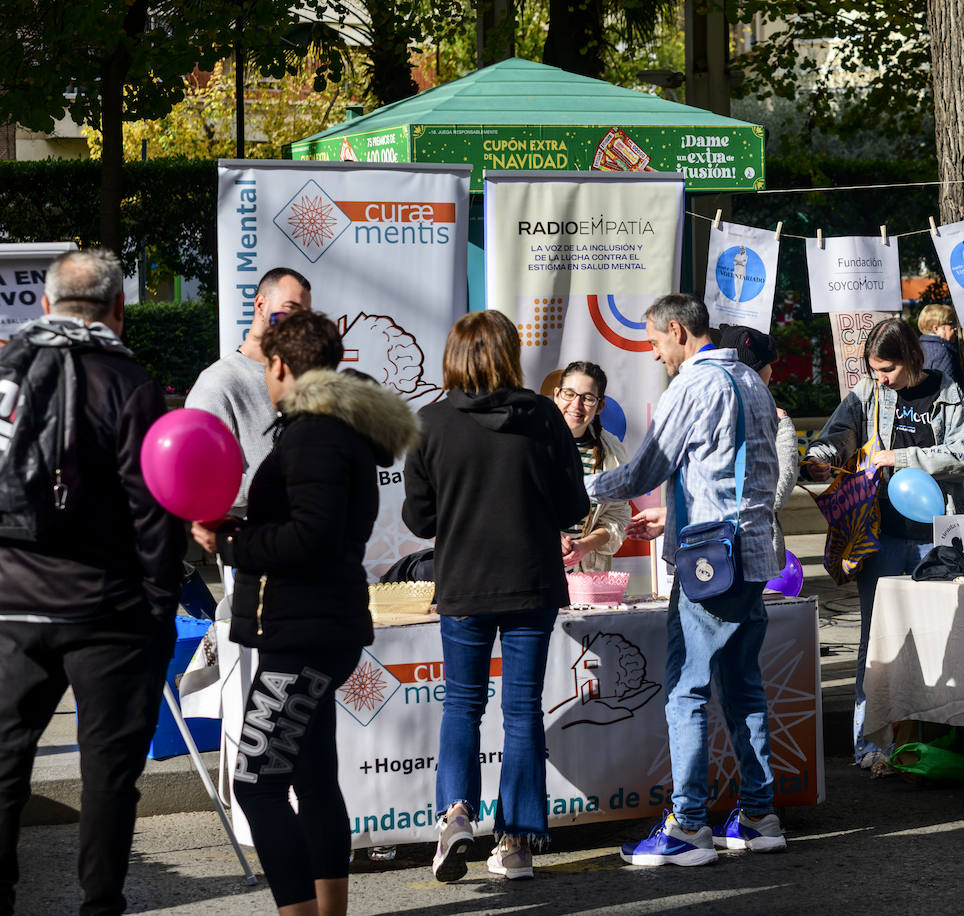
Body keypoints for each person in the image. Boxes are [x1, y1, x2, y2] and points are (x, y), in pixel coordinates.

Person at [191, 310, 419, 915]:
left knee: (258, 787)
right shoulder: (326, 430)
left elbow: (310, 538)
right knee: (312, 780)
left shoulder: (318, 434)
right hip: (314, 627)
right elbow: (307, 525)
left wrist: (231, 545)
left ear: (282, 366)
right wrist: (247, 528)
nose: (263, 376)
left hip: (303, 634)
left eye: (265, 366)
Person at [0, 249, 184, 916]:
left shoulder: (6, 369)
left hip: (10, 606)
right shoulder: (128, 381)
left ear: (45, 306)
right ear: (118, 311)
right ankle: (99, 903)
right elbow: (153, 510)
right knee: (108, 773)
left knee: (3, 764)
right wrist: (160, 606)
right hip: (105, 611)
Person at [587, 294, 783, 865]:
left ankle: (689, 825)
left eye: (655, 342)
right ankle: (758, 814)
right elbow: (738, 473)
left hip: (709, 560)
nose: (655, 354)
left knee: (686, 690)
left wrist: (583, 490)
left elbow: (649, 467)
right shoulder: (751, 381)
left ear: (678, 330)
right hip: (752, 552)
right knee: (743, 686)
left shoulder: (692, 386)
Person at [402, 311, 589, 883]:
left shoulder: (429, 422)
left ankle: (456, 813)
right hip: (532, 581)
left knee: (462, 704)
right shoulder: (543, 418)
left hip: (463, 583)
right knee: (521, 709)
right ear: (510, 354)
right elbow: (573, 507)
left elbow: (418, 518)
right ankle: (515, 844)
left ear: (454, 357)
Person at [802, 316, 964, 770]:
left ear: (913, 359)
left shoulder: (947, 391)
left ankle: (940, 734)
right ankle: (870, 742)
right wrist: (819, 460)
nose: (881, 378)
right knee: (877, 638)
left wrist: (898, 457)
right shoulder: (868, 393)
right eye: (875, 370)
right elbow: (835, 437)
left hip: (939, 536)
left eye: (888, 370)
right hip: (879, 534)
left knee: (944, 636)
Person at [186, 267, 313, 515]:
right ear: (261, 304)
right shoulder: (218, 382)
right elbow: (205, 479)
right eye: (289, 310)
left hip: (306, 543)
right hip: (251, 545)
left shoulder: (302, 378)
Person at [719, 325, 800, 572]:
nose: (773, 370)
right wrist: (785, 429)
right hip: (749, 550)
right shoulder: (768, 418)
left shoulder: (711, 409)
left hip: (713, 550)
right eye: (768, 363)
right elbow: (776, 494)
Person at [552, 361, 630, 572]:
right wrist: (547, 534)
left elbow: (617, 517)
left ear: (600, 406)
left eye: (587, 398)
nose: (576, 405)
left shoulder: (612, 451)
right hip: (535, 574)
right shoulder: (531, 443)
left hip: (584, 580)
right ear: (556, 394)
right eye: (569, 394)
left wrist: (585, 546)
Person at [917, 303, 964, 389]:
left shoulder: (918, 347)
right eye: (951, 323)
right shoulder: (942, 353)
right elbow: (947, 390)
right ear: (936, 329)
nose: (955, 328)